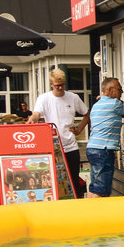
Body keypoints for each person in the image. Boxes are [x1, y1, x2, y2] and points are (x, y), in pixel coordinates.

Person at [28, 69, 89, 197]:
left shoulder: (73, 97)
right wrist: (32, 119)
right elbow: (37, 113)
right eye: (57, 86)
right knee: (53, 180)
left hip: (70, 145)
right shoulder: (44, 98)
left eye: (62, 85)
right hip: (53, 146)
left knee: (73, 179)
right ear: (51, 84)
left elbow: (87, 114)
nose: (60, 88)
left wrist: (79, 129)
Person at [76, 77, 124, 198]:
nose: (121, 92)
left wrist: (102, 97)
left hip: (92, 148)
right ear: (110, 90)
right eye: (119, 89)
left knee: (95, 186)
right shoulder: (115, 104)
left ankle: (90, 212)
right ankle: (98, 214)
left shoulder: (96, 105)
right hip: (103, 149)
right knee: (102, 189)